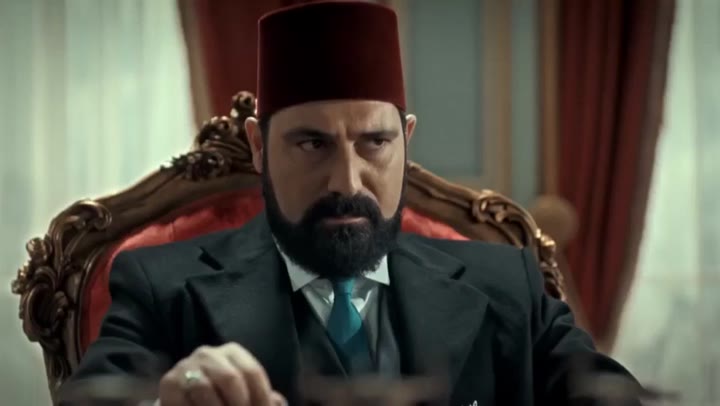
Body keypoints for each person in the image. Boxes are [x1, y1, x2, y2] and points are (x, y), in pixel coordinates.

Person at [60, 2, 641, 405]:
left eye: (375, 142)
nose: (346, 181)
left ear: (406, 141)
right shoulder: (161, 288)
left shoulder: (507, 284)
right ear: (259, 147)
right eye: (311, 144)